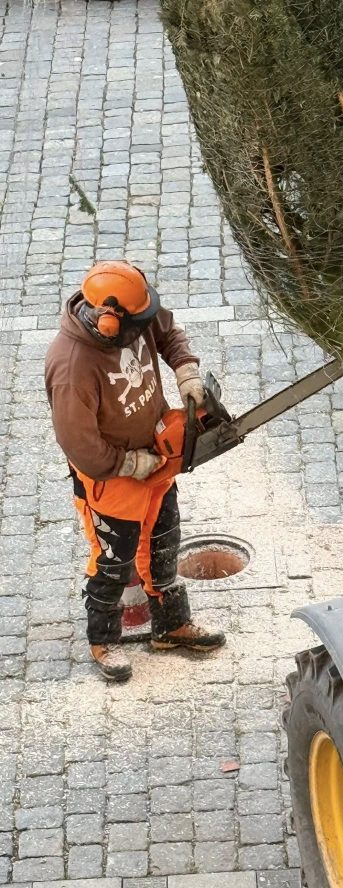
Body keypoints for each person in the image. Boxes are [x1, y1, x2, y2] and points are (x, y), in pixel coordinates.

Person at [45, 261, 225, 683]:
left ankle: (170, 626)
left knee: (164, 540)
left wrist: (186, 369)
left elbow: (164, 328)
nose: (146, 323)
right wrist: (126, 463)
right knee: (113, 559)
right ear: (110, 323)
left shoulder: (131, 310)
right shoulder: (72, 366)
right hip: (111, 476)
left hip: (156, 454)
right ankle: (102, 639)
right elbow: (78, 443)